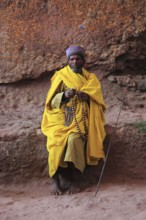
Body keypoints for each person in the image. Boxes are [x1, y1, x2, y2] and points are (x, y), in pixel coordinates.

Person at [41, 45, 106, 195]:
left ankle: (73, 179)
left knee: (73, 141)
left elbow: (100, 103)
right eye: (72, 59)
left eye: (78, 59)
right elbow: (50, 102)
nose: (75, 61)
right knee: (56, 143)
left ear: (84, 61)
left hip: (81, 118)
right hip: (60, 118)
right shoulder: (60, 76)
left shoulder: (91, 79)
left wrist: (88, 98)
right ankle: (55, 180)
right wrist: (64, 96)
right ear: (68, 61)